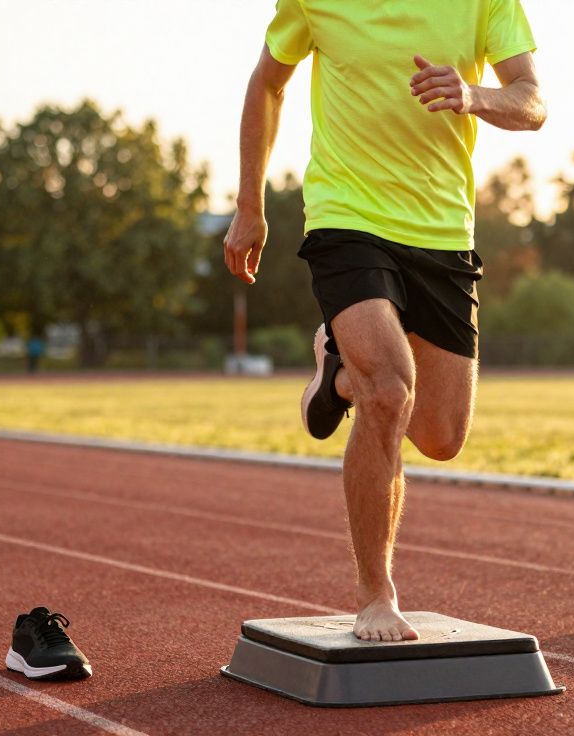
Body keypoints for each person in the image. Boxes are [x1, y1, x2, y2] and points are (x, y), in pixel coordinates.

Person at [224, 0, 545, 643]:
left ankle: (339, 369)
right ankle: (376, 594)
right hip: (347, 217)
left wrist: (474, 95)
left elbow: (532, 102)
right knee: (391, 390)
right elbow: (269, 82)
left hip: (442, 232)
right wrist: (249, 203)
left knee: (441, 435)